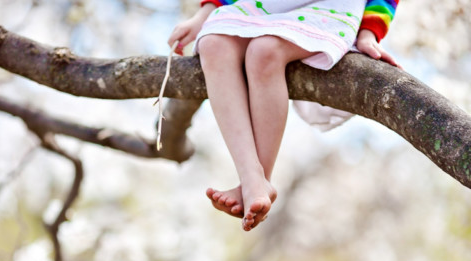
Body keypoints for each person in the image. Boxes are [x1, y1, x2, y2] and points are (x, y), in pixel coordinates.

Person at [168, 0, 399, 231]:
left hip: (328, 9)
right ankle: (251, 177)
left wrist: (369, 33)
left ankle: (258, 180)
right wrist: (203, 17)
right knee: (213, 44)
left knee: (264, 51)